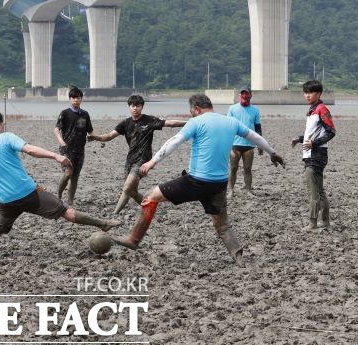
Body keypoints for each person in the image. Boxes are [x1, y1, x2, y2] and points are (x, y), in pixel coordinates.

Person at [113, 94, 285, 266]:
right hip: (219, 184)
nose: (191, 115)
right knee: (222, 225)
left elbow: (173, 142)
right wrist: (272, 153)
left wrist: (152, 161)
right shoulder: (230, 122)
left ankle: (134, 239)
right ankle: (237, 256)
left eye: (191, 112)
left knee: (150, 196)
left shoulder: (196, 121)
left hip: (196, 181)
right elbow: (255, 137)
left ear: (196, 109)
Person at [0, 111, 122, 256]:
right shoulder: (6, 136)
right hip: (28, 193)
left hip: (6, 200)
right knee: (66, 212)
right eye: (3, 124)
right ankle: (102, 223)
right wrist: (56, 155)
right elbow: (30, 150)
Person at [87, 95, 186, 214]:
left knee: (127, 188)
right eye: (132, 105)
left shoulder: (149, 120)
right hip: (130, 160)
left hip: (143, 160)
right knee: (132, 191)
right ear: (129, 107)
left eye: (138, 105)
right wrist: (95, 137)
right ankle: (149, 205)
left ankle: (115, 213)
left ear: (142, 107)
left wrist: (189, 122)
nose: (135, 108)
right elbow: (109, 136)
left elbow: (170, 123)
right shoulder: (125, 123)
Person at [291, 80, 336, 231]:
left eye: (310, 92)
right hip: (310, 153)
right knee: (319, 189)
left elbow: (331, 131)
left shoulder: (322, 109)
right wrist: (299, 139)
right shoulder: (312, 110)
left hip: (317, 154)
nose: (307, 95)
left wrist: (314, 143)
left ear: (319, 93)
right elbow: (312, 133)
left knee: (313, 191)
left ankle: (313, 223)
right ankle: (325, 223)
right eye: (305, 92)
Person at [54, 86, 93, 205]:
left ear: (81, 99)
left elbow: (90, 131)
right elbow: (56, 129)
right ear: (70, 99)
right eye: (74, 98)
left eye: (78, 98)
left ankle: (70, 201)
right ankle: (59, 195)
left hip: (80, 150)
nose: (76, 100)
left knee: (75, 177)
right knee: (68, 173)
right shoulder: (65, 113)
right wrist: (61, 142)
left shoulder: (85, 114)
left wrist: (98, 138)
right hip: (66, 149)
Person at [227, 86, 263, 197]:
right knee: (233, 168)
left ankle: (248, 190)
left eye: (247, 94)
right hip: (234, 144)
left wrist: (260, 144)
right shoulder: (232, 109)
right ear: (239, 95)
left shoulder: (255, 110)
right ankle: (231, 191)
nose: (244, 96)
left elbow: (258, 128)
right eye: (242, 94)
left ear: (250, 95)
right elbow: (228, 126)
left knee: (248, 169)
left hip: (249, 145)